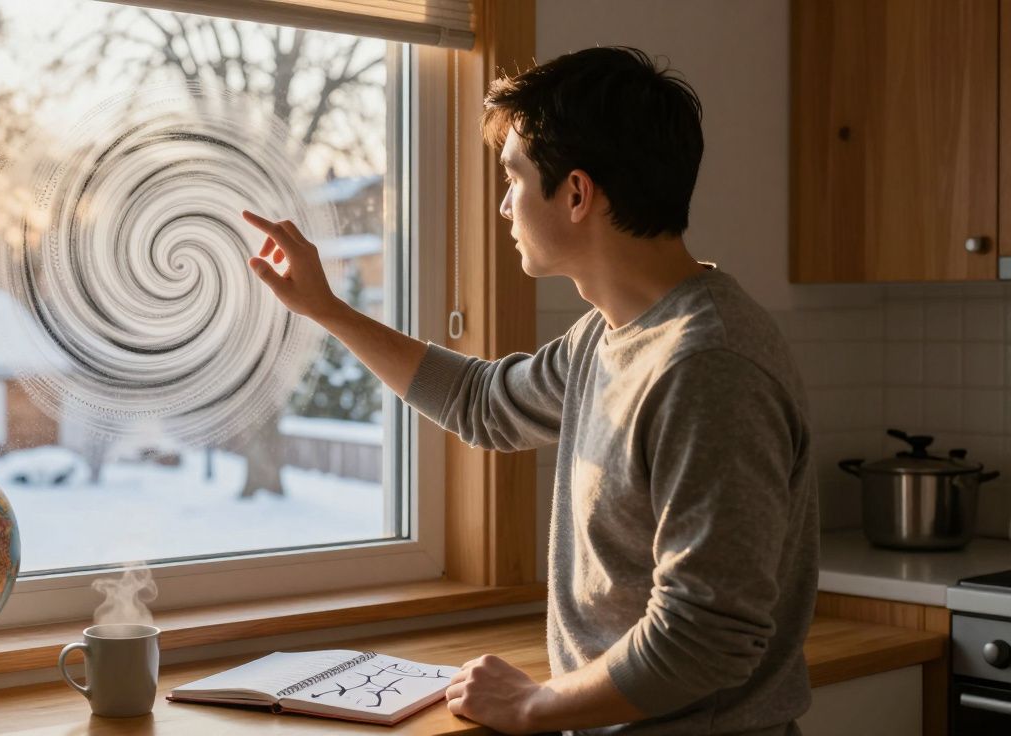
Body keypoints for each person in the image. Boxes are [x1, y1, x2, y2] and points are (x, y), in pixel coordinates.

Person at [241, 46, 817, 736]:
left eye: (513, 176)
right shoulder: (606, 336)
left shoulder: (709, 367)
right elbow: (481, 403)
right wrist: (329, 311)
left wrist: (532, 705)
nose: (504, 203)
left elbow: (705, 637)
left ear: (576, 194)